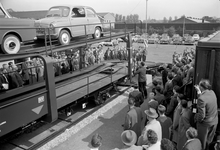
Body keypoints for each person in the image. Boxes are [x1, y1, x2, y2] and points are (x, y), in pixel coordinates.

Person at [194, 79, 218, 150]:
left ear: (201, 87)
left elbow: (202, 116)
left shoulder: (201, 98)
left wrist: (196, 120)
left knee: (202, 143)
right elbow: (204, 99)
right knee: (209, 141)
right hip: (214, 121)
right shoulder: (212, 92)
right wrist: (199, 92)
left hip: (205, 125)